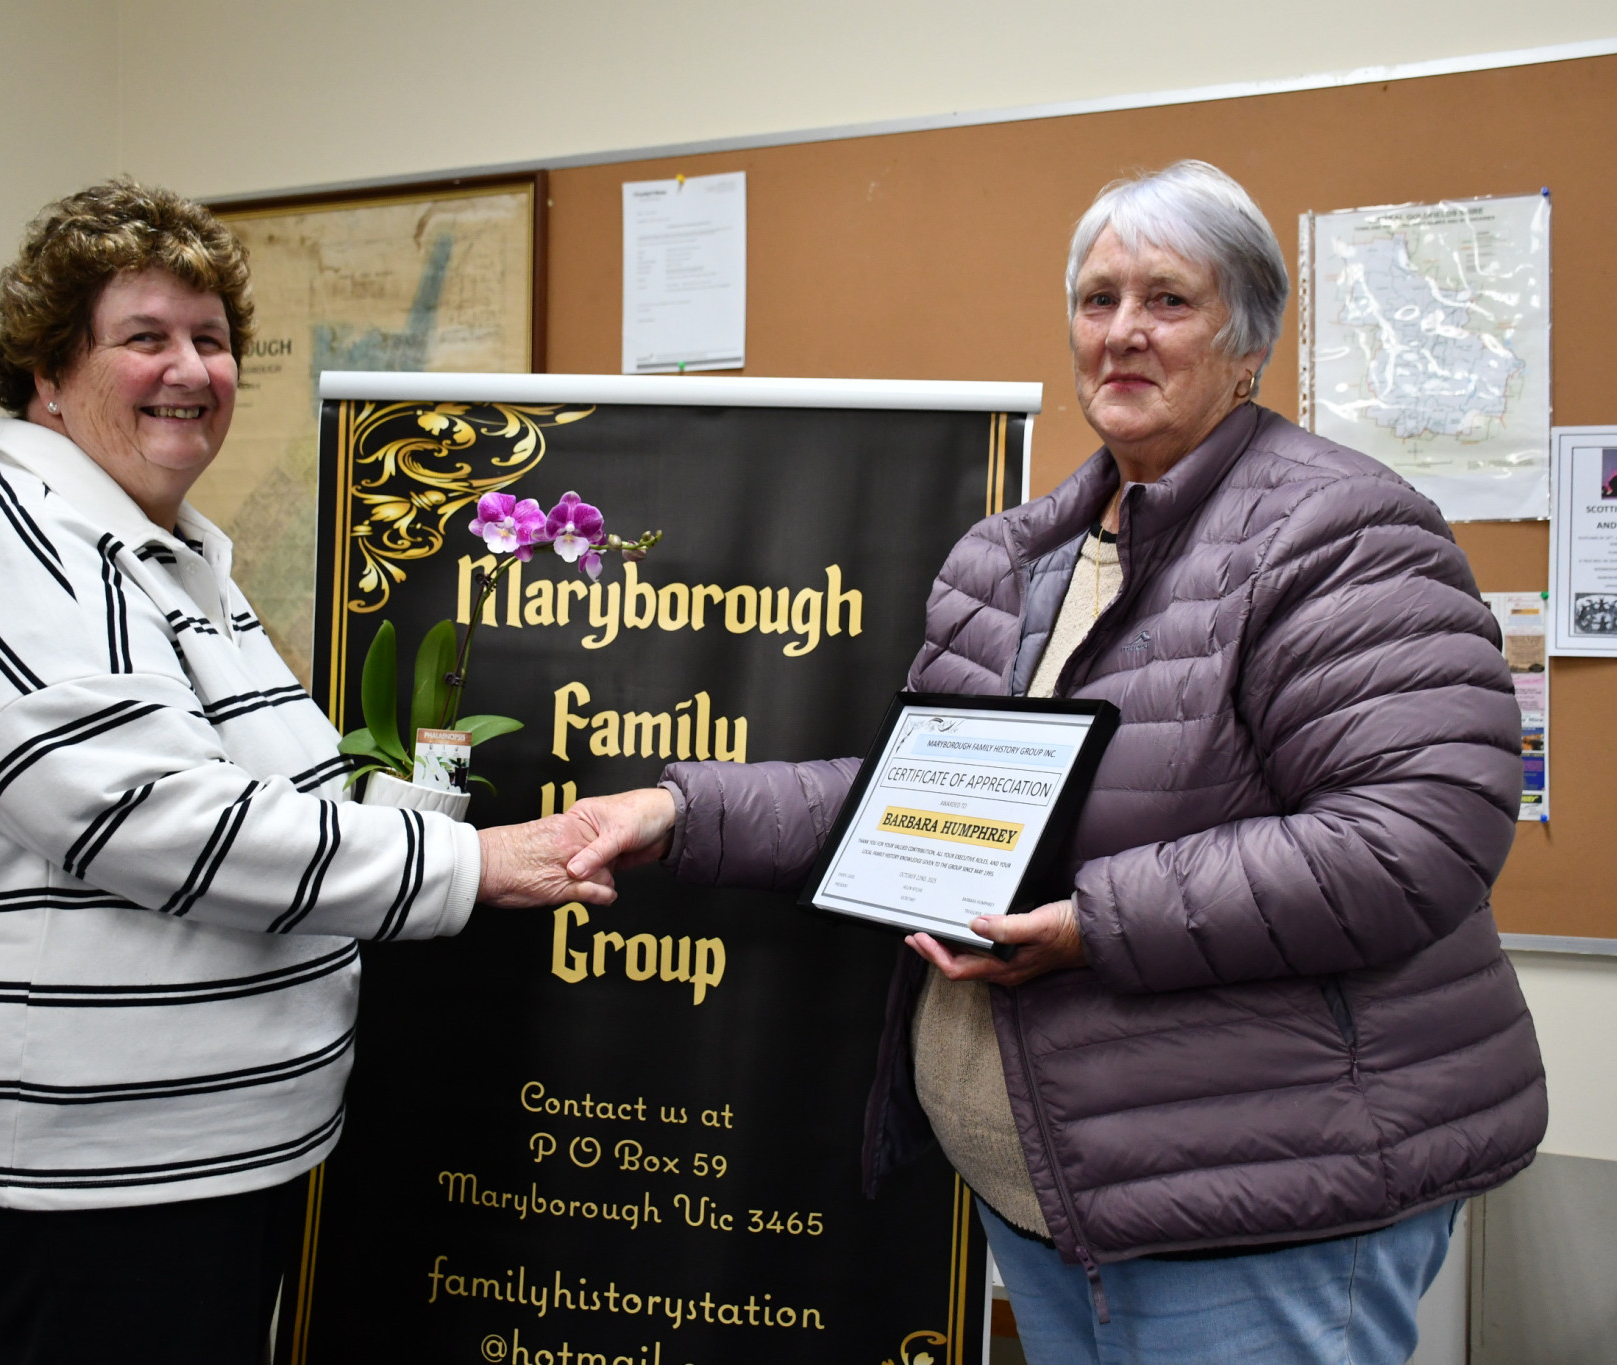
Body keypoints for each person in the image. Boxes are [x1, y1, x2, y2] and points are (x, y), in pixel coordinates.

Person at [560, 161, 1547, 1365]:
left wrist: (1093, 922)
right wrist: (680, 806)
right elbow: (916, 806)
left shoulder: (1337, 530)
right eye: (1096, 299)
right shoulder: (1012, 555)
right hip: (1049, 1201)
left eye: (1167, 301)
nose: (1121, 332)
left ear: (1248, 343)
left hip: (1259, 1206)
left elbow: (1413, 839)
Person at [0, 180, 610, 1364]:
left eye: (212, 339)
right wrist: (464, 864)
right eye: (143, 337)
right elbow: (157, 822)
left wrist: (421, 805)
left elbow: (265, 782)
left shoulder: (166, 553)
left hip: (189, 1149)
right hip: (77, 1166)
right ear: (45, 368)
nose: (190, 368)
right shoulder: (16, 550)